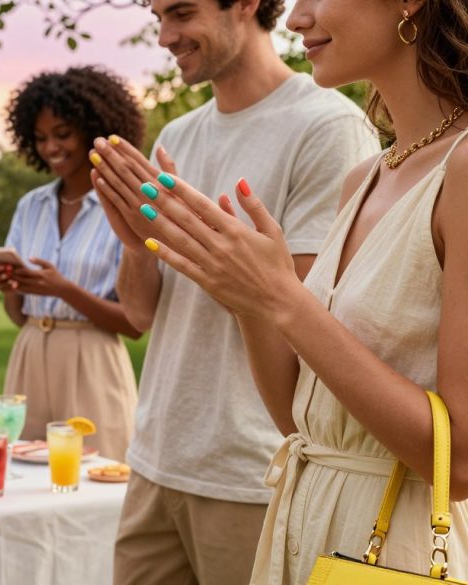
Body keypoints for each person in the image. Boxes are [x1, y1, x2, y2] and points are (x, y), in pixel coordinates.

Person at [97, 0, 468, 581]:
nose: (295, 18)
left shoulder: (461, 170)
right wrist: (249, 297)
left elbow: (462, 462)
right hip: (304, 519)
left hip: (393, 545)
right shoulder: (365, 179)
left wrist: (279, 297)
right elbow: (300, 420)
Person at [0, 65, 144, 459]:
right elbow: (19, 316)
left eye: (62, 134)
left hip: (92, 360)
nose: (50, 148)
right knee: (23, 475)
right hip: (28, 354)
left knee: (96, 477)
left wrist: (65, 290)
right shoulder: (31, 205)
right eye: (40, 138)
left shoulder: (125, 207)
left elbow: (133, 323)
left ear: (94, 130)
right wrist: (10, 288)